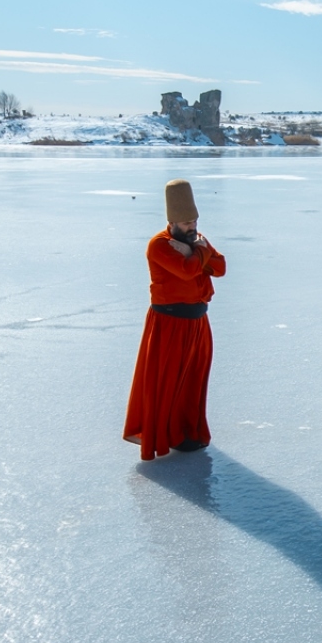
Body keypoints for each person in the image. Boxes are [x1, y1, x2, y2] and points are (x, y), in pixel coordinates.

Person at [124, 179, 227, 460]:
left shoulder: (195, 240)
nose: (192, 227)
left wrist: (195, 253)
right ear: (172, 222)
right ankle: (167, 434)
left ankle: (186, 432)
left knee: (193, 382)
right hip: (169, 324)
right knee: (168, 383)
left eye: (194, 221)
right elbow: (186, 271)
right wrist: (200, 253)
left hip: (198, 322)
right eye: (186, 223)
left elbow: (220, 267)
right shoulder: (160, 245)